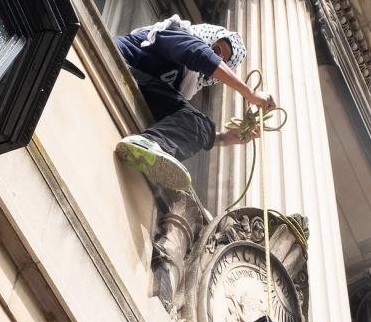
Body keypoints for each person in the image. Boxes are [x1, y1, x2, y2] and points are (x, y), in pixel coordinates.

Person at [114, 15, 276, 191]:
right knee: (195, 118)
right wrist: (249, 93)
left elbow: (183, 122)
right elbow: (199, 54)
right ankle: (147, 145)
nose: (217, 56)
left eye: (222, 59)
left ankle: (148, 147)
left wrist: (224, 138)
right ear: (209, 37)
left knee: (200, 123)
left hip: (142, 90)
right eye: (217, 48)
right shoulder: (177, 33)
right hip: (121, 67)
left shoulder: (185, 83)